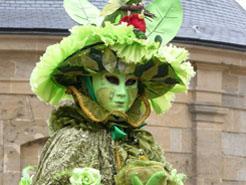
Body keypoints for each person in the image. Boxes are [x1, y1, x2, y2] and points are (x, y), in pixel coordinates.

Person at [27, 0, 195, 184]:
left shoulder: (143, 142)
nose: (122, 93)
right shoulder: (73, 140)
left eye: (131, 83)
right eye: (112, 80)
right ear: (88, 83)